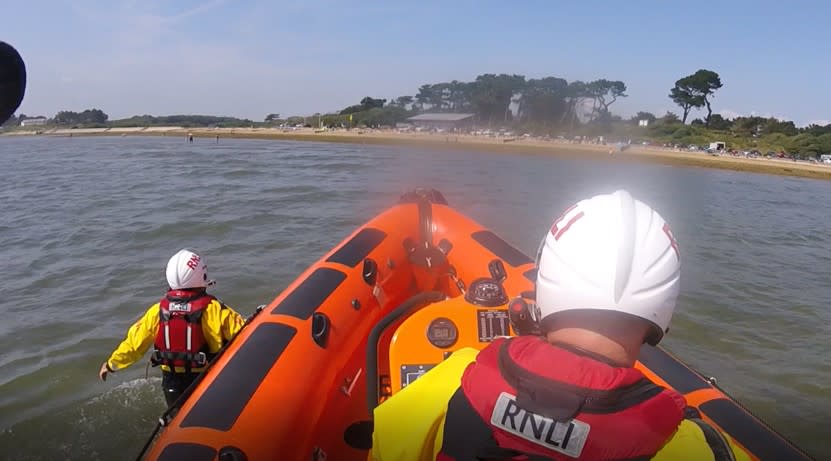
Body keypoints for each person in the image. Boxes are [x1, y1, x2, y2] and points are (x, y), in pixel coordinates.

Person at [371, 190, 750, 461]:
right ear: (664, 305)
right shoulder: (696, 448)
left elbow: (385, 445)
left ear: (547, 278)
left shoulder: (451, 383)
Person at [98, 249, 245, 406]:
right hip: (206, 378)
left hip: (172, 382)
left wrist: (111, 365)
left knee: (177, 417)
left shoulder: (158, 310)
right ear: (202, 275)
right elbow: (246, 333)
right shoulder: (215, 309)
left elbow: (134, 344)